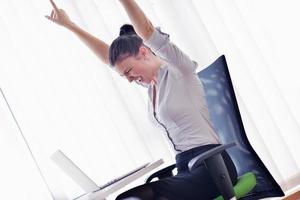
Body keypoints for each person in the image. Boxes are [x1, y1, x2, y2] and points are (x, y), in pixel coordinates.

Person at [46, 0, 238, 199]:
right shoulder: (152, 86)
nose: (129, 80)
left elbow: (146, 31)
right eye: (124, 76)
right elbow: (109, 58)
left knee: (140, 197)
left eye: (129, 72)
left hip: (214, 169)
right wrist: (70, 26)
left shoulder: (180, 71)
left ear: (144, 52)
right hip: (186, 169)